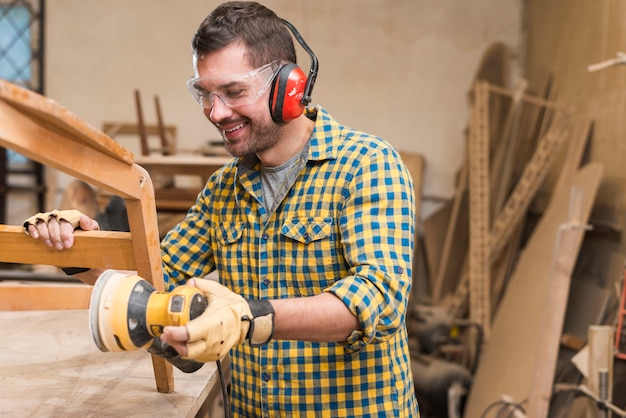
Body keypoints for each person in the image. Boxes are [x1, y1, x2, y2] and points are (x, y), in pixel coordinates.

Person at [24, 2, 419, 416]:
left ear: (289, 88)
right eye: (205, 94)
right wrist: (70, 248)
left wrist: (251, 318)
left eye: (233, 92)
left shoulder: (367, 165)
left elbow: (378, 300)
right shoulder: (224, 190)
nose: (216, 113)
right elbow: (153, 275)